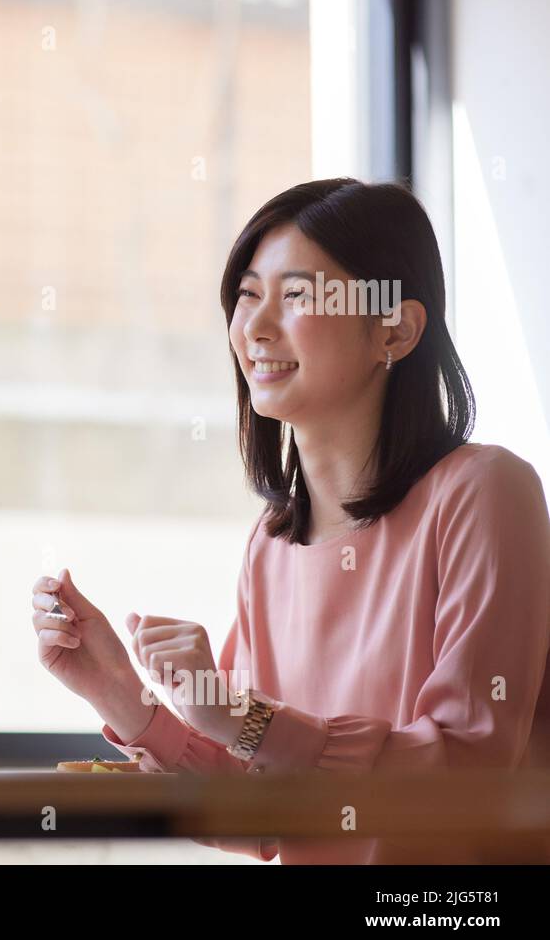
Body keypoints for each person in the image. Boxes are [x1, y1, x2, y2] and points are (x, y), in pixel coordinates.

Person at [31, 178, 550, 864]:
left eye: (297, 295)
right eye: (247, 294)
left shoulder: (485, 493)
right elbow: (263, 815)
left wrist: (246, 720)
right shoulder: (270, 546)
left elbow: (467, 775)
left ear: (394, 328)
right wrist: (125, 696)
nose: (255, 326)